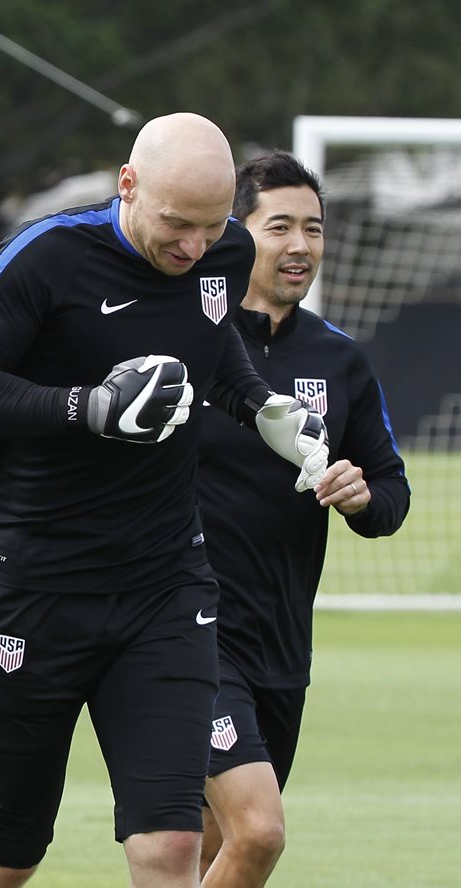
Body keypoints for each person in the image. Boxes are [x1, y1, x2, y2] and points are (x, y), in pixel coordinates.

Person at [0, 112, 332, 888]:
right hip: (34, 588)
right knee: (4, 858)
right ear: (128, 185)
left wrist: (261, 408)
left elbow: (212, 348)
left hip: (164, 589)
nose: (193, 249)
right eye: (177, 224)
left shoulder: (225, 254)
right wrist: (90, 407)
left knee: (171, 845)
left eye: (212, 228)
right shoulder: (46, 257)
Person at [196, 150, 411, 886]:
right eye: (279, 226)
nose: (300, 246)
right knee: (259, 834)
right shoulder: (189, 342)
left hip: (283, 644)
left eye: (313, 229)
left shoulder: (341, 360)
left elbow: (391, 495)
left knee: (204, 850)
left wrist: (360, 494)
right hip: (187, 632)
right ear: (235, 233)